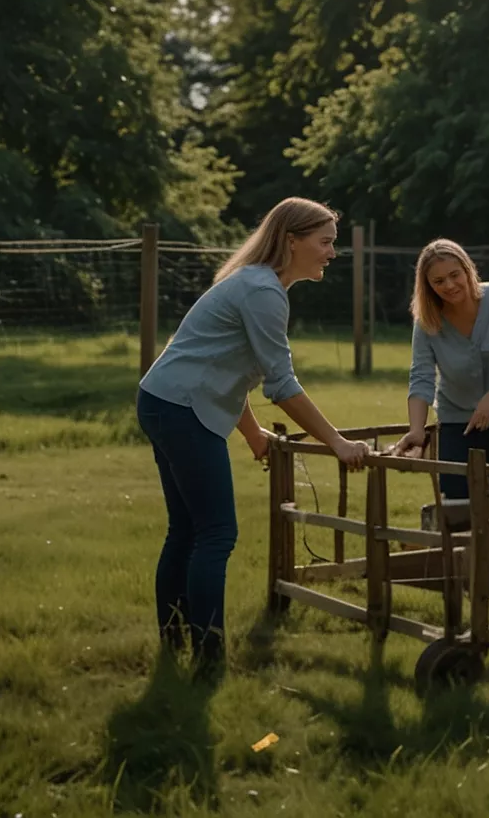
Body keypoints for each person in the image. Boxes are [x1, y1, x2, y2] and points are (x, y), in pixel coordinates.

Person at [136, 197, 371, 677]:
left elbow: (230, 371)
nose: (332, 252)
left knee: (186, 530)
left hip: (163, 401)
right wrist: (338, 443)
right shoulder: (263, 290)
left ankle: (176, 643)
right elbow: (281, 385)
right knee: (216, 533)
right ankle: (208, 659)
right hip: (181, 410)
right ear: (292, 241)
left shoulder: (254, 284)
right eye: (324, 242)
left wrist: (252, 434)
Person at [391, 240, 489, 499]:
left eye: (454, 275)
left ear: (467, 270)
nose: (449, 285)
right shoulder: (427, 322)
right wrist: (416, 429)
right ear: (428, 286)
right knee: (458, 504)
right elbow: (421, 377)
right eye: (438, 281)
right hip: (457, 422)